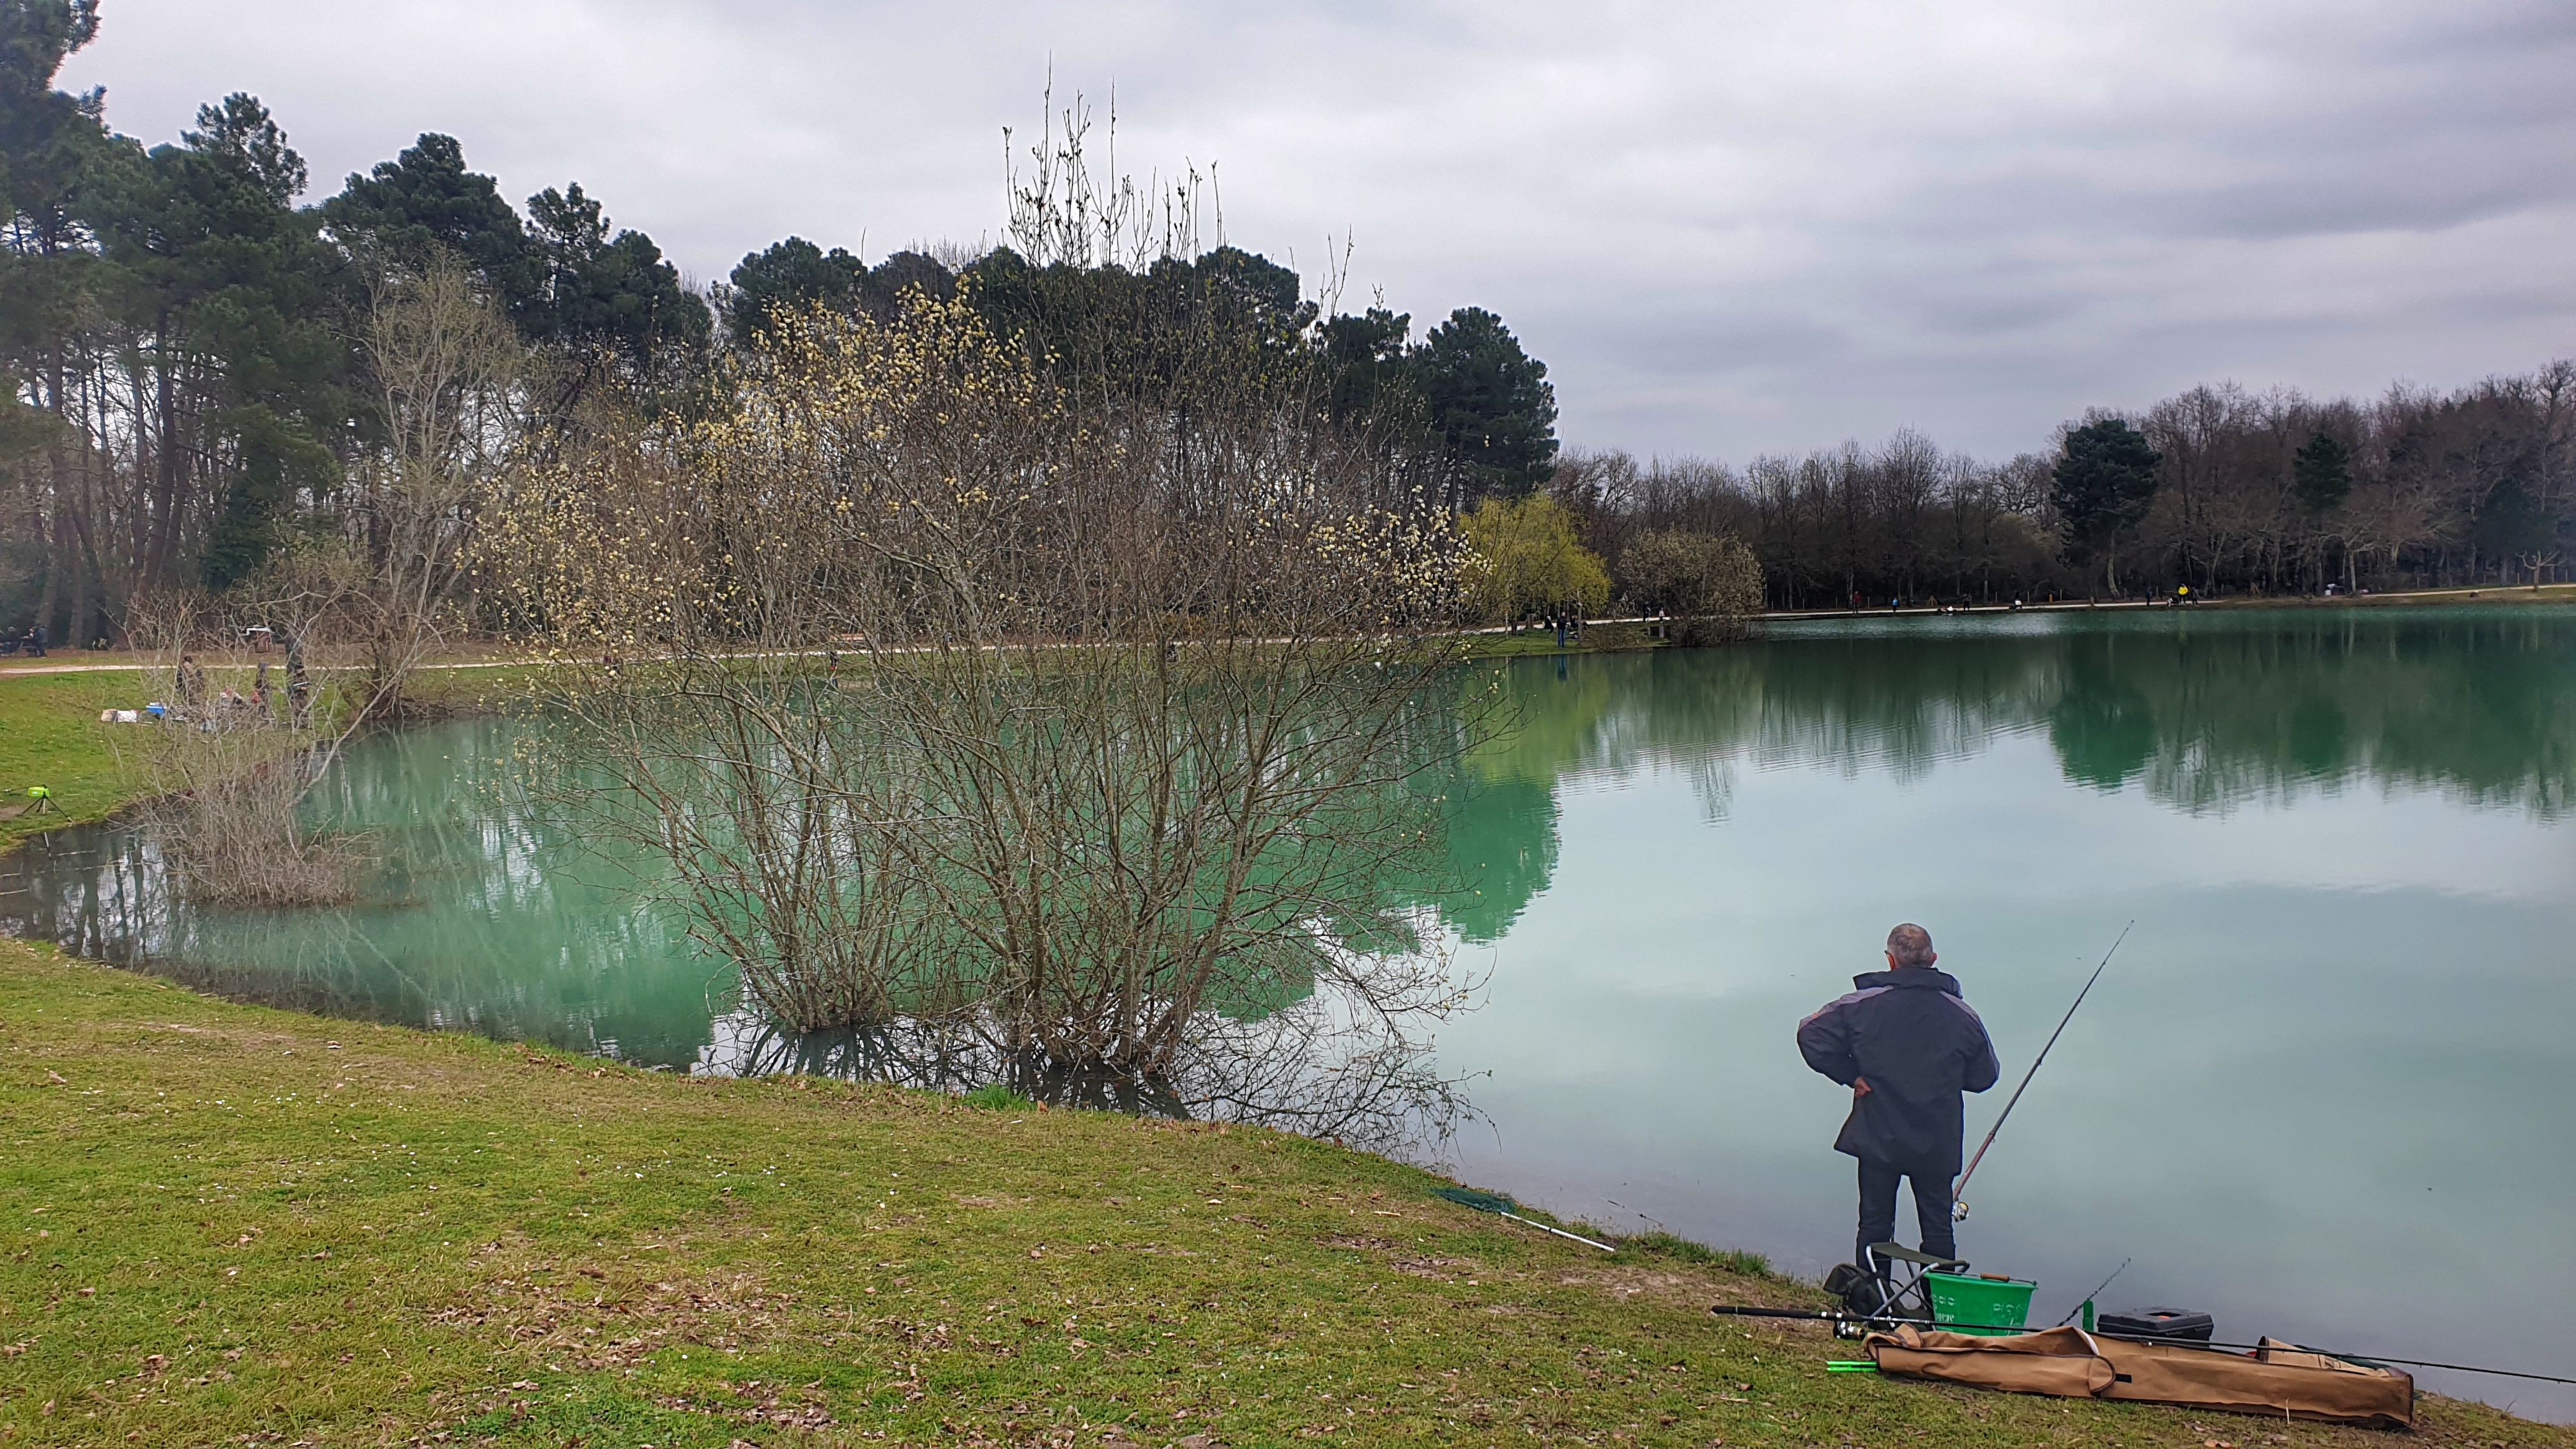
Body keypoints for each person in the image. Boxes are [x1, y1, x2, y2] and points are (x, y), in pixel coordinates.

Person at [1797, 923, 2000, 1277]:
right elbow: (1986, 1076)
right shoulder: (1963, 1016)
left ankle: (1874, 1305)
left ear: (1891, 961)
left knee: (1875, 1222)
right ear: (1934, 959)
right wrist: (1946, 1079)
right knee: (1938, 1227)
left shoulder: (1860, 1005)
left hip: (1879, 1132)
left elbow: (1809, 1033)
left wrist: (1850, 1075)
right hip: (1937, 1138)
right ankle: (1940, 1314)